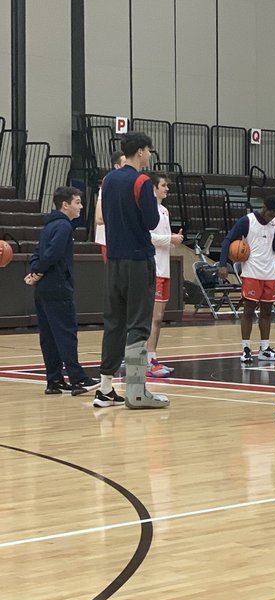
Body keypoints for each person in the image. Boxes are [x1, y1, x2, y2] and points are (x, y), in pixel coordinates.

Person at [94, 132, 167, 410]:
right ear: (139, 152)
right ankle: (137, 391)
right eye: (148, 150)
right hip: (137, 260)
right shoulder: (141, 181)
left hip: (113, 259)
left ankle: (105, 389)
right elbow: (150, 220)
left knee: (113, 323)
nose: (149, 155)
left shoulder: (109, 179)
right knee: (138, 324)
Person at [24, 187, 99, 396]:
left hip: (43, 288)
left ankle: (54, 380)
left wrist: (35, 271)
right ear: (65, 205)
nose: (81, 206)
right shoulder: (64, 226)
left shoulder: (49, 225)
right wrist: (38, 271)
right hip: (57, 286)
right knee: (66, 333)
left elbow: (38, 252)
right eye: (77, 202)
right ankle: (78, 379)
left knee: (48, 336)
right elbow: (53, 253)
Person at [218, 197, 275, 365]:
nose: (272, 217)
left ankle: (264, 349)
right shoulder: (247, 221)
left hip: (269, 273)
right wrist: (222, 264)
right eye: (271, 214)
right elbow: (228, 240)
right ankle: (246, 348)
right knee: (248, 311)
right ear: (265, 207)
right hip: (251, 273)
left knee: (267, 312)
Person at [145, 174, 184, 378]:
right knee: (154, 317)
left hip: (164, 267)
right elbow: (147, 236)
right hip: (153, 268)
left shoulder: (164, 210)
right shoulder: (148, 209)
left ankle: (152, 357)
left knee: (158, 318)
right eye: (163, 185)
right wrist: (170, 238)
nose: (166, 188)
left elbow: (165, 241)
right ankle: (148, 360)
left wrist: (174, 241)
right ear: (153, 188)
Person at [93, 150, 125, 262]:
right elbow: (99, 218)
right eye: (125, 164)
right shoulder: (109, 182)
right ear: (117, 166)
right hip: (110, 239)